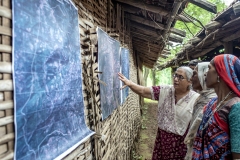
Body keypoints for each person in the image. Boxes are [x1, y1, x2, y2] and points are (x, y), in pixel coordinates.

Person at [118, 66, 200, 160]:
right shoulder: (165, 90)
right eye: (175, 75)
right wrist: (130, 83)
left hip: (181, 145)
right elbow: (143, 91)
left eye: (180, 77)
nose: (176, 79)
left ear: (189, 81)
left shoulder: (196, 99)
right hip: (162, 140)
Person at [192, 54, 240, 159]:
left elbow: (238, 155)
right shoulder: (212, 103)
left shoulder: (236, 107)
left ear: (220, 72)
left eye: (209, 68)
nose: (205, 73)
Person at [184, 62, 216, 160]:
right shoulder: (200, 99)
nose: (190, 79)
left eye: (194, 74)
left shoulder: (213, 102)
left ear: (204, 74)